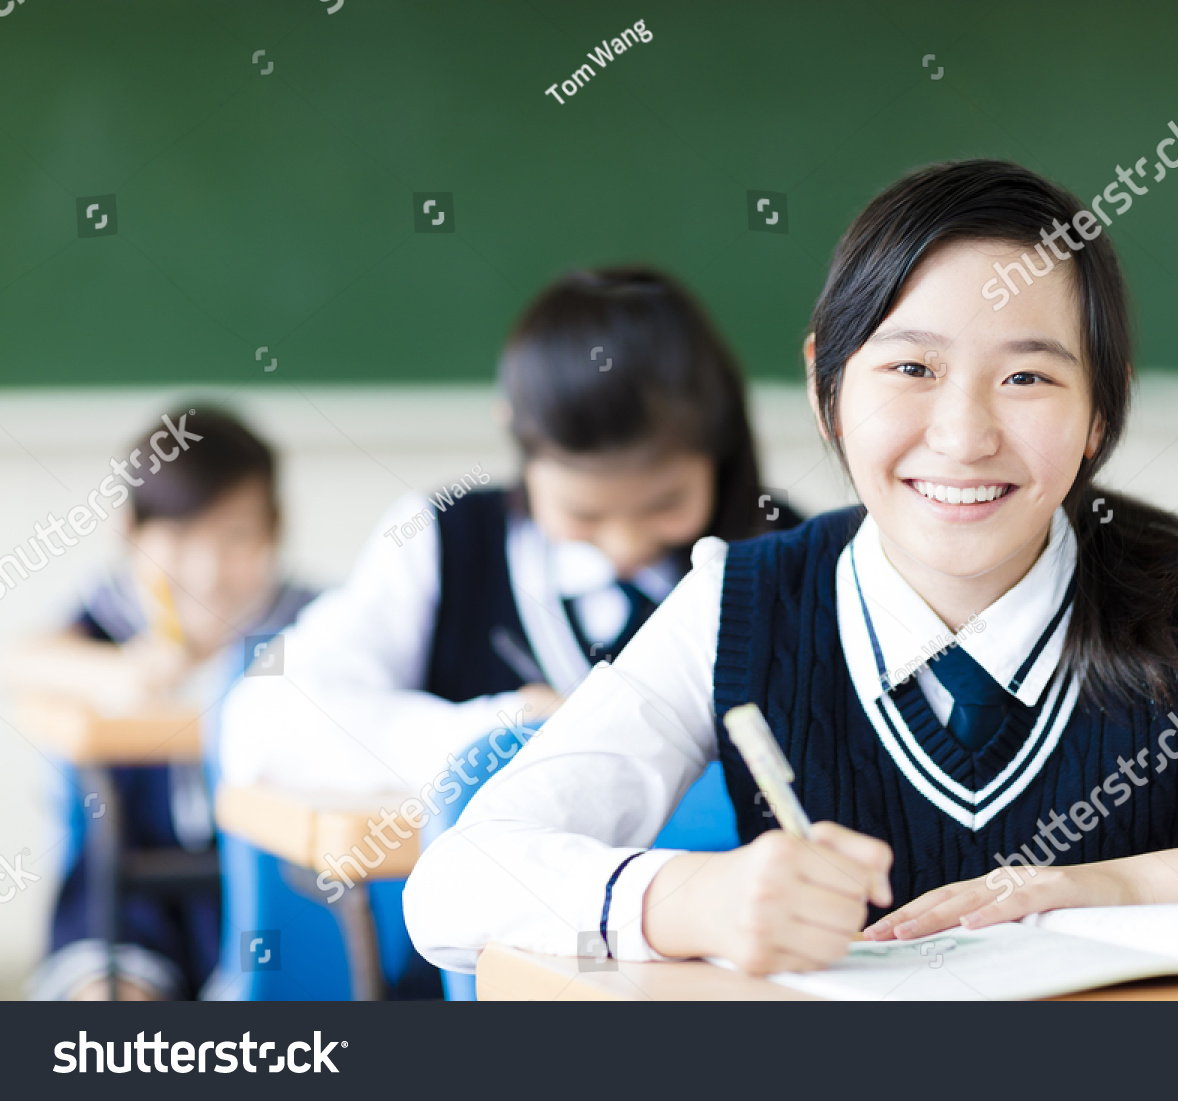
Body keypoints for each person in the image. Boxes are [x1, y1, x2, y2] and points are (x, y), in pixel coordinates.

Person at [402, 160, 1178, 978]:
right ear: (828, 383)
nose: (964, 436)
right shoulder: (738, 604)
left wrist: (1129, 882)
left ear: (1102, 408)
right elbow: (454, 884)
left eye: (1028, 379)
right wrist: (689, 898)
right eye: (912, 368)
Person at [219, 266, 796, 799]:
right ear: (517, 436)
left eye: (666, 503)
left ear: (721, 451)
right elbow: (265, 723)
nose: (625, 544)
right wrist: (505, 730)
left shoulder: (793, 554)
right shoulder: (443, 542)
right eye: (585, 513)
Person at [8, 405, 314, 999]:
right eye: (177, 537)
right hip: (121, 902)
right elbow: (18, 658)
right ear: (131, 532)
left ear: (274, 530)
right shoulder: (115, 619)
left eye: (236, 536)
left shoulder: (312, 627)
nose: (207, 570)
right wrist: (114, 672)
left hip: (274, 893)